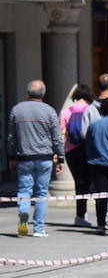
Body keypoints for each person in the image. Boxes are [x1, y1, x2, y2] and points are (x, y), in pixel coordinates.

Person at [7, 80, 63, 238]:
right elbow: (57, 138)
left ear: (28, 92)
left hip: (24, 157)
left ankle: (23, 216)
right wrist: (61, 158)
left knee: (24, 191)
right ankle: (38, 228)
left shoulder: (17, 110)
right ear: (43, 93)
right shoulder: (49, 111)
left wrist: (11, 156)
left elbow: (11, 137)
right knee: (41, 193)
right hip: (44, 158)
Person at [85, 98, 108, 234]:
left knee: (101, 196)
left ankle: (101, 224)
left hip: (98, 163)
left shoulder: (94, 126)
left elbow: (88, 144)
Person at [60, 84, 96, 228]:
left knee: (78, 182)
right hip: (87, 150)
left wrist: (58, 155)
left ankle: (80, 215)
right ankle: (85, 214)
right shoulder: (91, 110)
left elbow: (62, 135)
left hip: (71, 151)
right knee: (88, 182)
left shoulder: (65, 112)